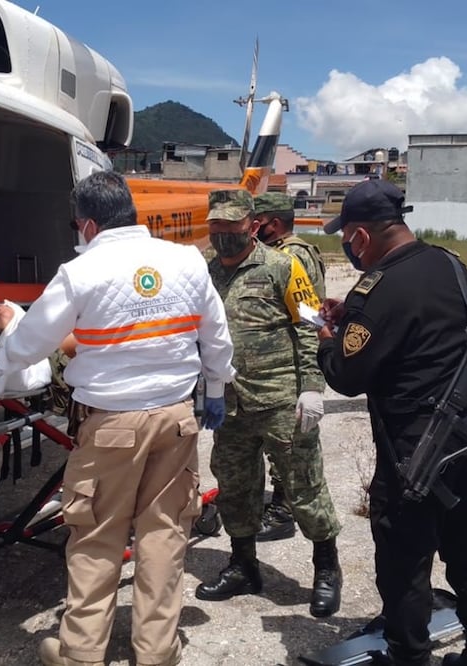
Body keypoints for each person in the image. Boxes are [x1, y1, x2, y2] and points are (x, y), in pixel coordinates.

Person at [0, 170, 235, 666]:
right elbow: (217, 335)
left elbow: (29, 346)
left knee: (97, 534)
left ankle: (80, 653)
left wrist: (4, 341)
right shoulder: (185, 259)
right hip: (177, 418)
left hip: (111, 424)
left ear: (89, 224)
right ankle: (157, 651)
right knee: (165, 534)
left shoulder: (81, 271)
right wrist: (218, 388)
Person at [315, 179, 467, 666]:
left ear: (359, 237)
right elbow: (424, 329)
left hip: (415, 454)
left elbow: (346, 375)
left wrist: (329, 337)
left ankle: (408, 656)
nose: (348, 247)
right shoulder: (450, 264)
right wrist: (354, 317)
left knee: (404, 563)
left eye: (347, 238)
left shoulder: (377, 287)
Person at [195, 189, 343, 618]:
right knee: (236, 487)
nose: (223, 234)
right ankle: (243, 565)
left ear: (252, 225)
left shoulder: (283, 266)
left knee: (303, 485)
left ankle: (326, 569)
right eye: (216, 226)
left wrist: (312, 386)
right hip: (231, 403)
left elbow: (312, 323)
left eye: (232, 226)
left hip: (281, 399)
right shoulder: (206, 274)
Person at [251, 191, 328, 542]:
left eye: (259, 224)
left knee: (289, 444)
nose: (254, 230)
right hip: (291, 357)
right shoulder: (298, 250)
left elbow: (308, 314)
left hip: (291, 360)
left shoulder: (290, 255)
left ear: (275, 224)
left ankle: (284, 511)